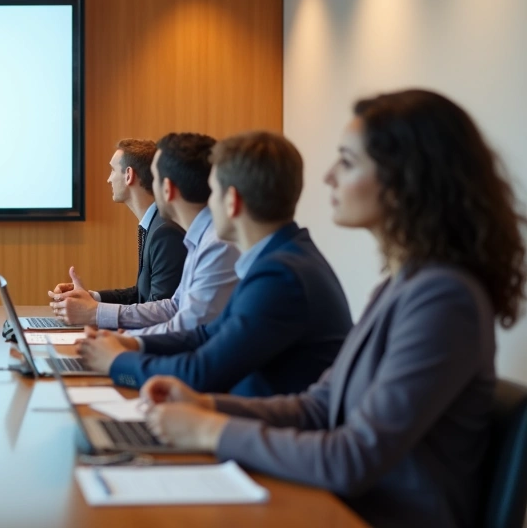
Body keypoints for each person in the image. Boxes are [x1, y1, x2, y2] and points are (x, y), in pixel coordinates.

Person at [139, 90, 525, 528]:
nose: (327, 177)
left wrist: (209, 430)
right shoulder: (402, 286)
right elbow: (318, 408)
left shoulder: (445, 299)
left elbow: (353, 457)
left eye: (346, 162)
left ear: (404, 179)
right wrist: (205, 404)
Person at [77, 131, 353, 396]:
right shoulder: (282, 258)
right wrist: (132, 342)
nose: (206, 204)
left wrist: (116, 362)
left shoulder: (280, 274)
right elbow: (206, 333)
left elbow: (201, 371)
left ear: (230, 201)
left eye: (212, 191)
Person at [52, 133, 239, 334]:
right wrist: (93, 303)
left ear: (166, 187)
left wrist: (103, 321)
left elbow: (178, 323)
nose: (152, 186)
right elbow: (168, 304)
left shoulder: (191, 238)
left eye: (156, 178)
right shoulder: (197, 238)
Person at [49, 138, 187, 310]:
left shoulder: (165, 232)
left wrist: (93, 311)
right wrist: (91, 297)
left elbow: (158, 311)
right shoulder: (154, 224)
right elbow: (140, 295)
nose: (109, 179)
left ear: (129, 175)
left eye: (113, 170)